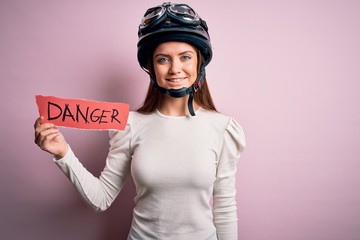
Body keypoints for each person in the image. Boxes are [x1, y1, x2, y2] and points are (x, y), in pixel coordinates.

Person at [34, 2, 246, 240]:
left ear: (199, 62)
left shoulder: (223, 129)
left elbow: (225, 209)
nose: (175, 68)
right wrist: (63, 154)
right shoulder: (130, 126)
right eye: (163, 59)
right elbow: (100, 199)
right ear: (151, 67)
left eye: (185, 57)